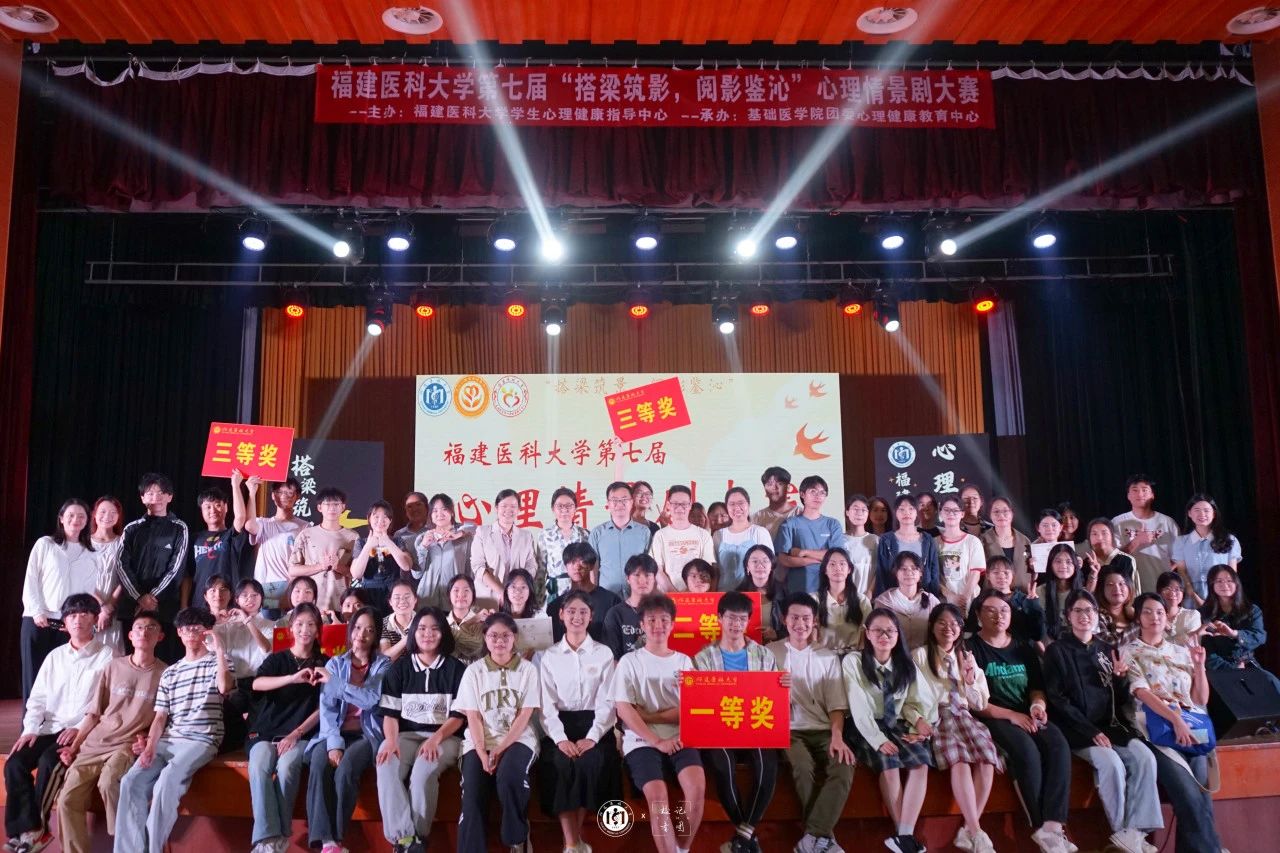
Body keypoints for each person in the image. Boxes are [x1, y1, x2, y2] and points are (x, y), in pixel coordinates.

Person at [1043, 590, 1162, 853]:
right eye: (1078, 611)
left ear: (1097, 615)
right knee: (1111, 764)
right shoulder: (1057, 651)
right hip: (1076, 730)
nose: (1084, 616)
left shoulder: (1107, 649)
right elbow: (1057, 700)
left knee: (1145, 758)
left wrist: (1120, 678)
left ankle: (1135, 832)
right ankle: (1120, 831)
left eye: (1090, 610)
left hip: (1111, 726)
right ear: (1068, 616)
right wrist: (1090, 731)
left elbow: (1120, 698)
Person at [114, 606, 233, 853]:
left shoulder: (219, 662)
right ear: (179, 633)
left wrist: (220, 650)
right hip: (169, 739)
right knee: (130, 782)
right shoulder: (171, 672)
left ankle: (153, 849)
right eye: (186, 628)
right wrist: (150, 746)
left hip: (202, 738)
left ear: (207, 631)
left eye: (197, 628)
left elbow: (224, 688)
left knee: (166, 782)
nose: (191, 633)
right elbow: (160, 717)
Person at [6, 594, 114, 853]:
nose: (78, 620)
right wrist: (30, 729)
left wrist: (79, 728)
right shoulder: (55, 656)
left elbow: (106, 703)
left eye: (84, 614)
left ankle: (36, 831)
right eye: (72, 615)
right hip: (49, 727)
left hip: (81, 731)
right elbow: (37, 698)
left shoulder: (107, 655)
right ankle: (24, 831)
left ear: (95, 619)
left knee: (48, 762)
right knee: (14, 763)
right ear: (64, 622)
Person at [968, 590, 1074, 853]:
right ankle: (1039, 826)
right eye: (991, 610)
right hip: (993, 716)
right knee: (1026, 751)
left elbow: (1037, 687)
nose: (999, 615)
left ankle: (1053, 825)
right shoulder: (971, 649)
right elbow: (974, 702)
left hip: (1026, 712)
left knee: (1058, 744)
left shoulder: (1022, 647)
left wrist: (1037, 706)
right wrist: (1012, 716)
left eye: (1004, 610)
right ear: (979, 615)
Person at [56, 611, 167, 853]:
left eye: (151, 628)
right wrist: (74, 747)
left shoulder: (165, 674)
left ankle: (127, 846)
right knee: (66, 799)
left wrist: (147, 741)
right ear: (130, 635)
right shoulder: (113, 666)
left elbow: (162, 719)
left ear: (160, 636)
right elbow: (93, 714)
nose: (144, 632)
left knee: (109, 783)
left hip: (126, 745)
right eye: (139, 627)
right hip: (95, 743)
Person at [1121, 593, 1224, 852]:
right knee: (1189, 797)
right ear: (1138, 618)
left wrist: (1199, 667)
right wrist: (1175, 719)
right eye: (1147, 612)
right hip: (1156, 731)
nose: (1154, 617)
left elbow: (1200, 699)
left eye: (1159, 612)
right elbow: (1141, 693)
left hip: (1191, 728)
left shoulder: (1180, 651)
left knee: (1202, 799)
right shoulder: (1129, 651)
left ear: (1167, 618)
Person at [612, 593, 706, 853]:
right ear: (642, 625)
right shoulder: (629, 662)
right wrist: (656, 740)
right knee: (658, 798)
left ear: (673, 624)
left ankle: (682, 848)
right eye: (651, 620)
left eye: (664, 619)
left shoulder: (684, 661)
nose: (658, 625)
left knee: (696, 790)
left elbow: (689, 709)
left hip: (680, 737)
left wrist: (654, 718)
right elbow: (624, 708)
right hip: (640, 740)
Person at [693, 591, 781, 853]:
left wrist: (783, 685)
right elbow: (702, 700)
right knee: (722, 766)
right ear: (719, 618)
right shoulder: (703, 657)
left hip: (755, 727)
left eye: (742, 619)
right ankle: (747, 838)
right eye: (731, 618)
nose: (736, 624)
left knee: (768, 766)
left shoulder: (764, 655)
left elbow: (773, 698)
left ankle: (742, 838)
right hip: (719, 730)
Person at [375, 606, 467, 853]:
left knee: (423, 771)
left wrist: (436, 738)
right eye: (422, 628)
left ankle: (416, 838)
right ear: (413, 633)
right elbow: (390, 714)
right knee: (385, 762)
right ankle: (405, 839)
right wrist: (391, 741)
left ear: (443, 634)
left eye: (435, 629)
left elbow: (459, 716)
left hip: (445, 737)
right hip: (404, 736)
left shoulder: (456, 669)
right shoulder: (398, 668)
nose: (428, 634)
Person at [767, 594, 854, 853]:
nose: (800, 624)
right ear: (784, 619)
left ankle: (812, 837)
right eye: (794, 617)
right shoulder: (770, 653)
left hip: (823, 729)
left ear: (814, 621)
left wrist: (837, 736)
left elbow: (837, 705)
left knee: (844, 764)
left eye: (806, 618)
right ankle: (824, 838)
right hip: (788, 730)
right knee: (803, 767)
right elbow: (758, 698)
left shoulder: (827, 657)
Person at [841, 608, 932, 853]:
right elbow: (858, 705)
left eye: (890, 631)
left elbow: (914, 702)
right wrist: (877, 739)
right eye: (878, 631)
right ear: (867, 633)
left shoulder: (906, 664)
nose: (884, 636)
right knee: (889, 762)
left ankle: (904, 835)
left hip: (896, 723)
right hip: (865, 725)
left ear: (898, 635)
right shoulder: (853, 662)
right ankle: (905, 838)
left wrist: (919, 723)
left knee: (921, 761)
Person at [913, 602, 1001, 853]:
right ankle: (976, 831)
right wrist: (921, 720)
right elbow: (914, 694)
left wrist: (970, 679)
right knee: (959, 759)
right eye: (942, 622)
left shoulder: (966, 656)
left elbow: (979, 703)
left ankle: (968, 830)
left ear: (961, 628)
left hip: (964, 715)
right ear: (932, 626)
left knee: (987, 759)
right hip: (938, 715)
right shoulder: (920, 655)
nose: (948, 628)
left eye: (954, 624)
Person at [538, 590, 621, 853]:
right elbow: (546, 705)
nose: (577, 617)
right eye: (571, 611)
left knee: (589, 762)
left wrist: (593, 737)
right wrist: (560, 739)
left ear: (591, 616)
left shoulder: (603, 653)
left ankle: (574, 841)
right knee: (560, 764)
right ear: (561, 615)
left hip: (596, 725)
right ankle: (573, 843)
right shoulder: (549, 656)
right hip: (559, 727)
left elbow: (608, 701)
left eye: (583, 612)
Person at [454, 612, 541, 853]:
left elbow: (524, 715)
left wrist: (501, 749)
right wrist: (482, 752)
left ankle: (517, 838)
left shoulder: (527, 670)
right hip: (479, 740)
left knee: (509, 777)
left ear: (515, 638)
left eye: (506, 636)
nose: (499, 641)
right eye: (493, 636)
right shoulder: (474, 671)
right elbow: (473, 716)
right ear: (485, 638)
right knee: (473, 792)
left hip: (518, 739)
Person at [245, 602, 327, 853]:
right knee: (259, 766)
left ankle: (273, 840)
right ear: (291, 628)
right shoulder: (277, 659)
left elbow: (325, 708)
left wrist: (296, 733)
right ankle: (272, 839)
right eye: (299, 624)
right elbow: (257, 684)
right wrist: (292, 678)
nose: (305, 629)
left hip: (301, 734)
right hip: (265, 731)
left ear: (318, 630)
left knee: (288, 767)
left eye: (311, 624)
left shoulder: (325, 664)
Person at [306, 606, 389, 853]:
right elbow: (327, 709)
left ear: (376, 635)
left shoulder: (383, 665)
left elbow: (371, 700)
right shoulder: (335, 664)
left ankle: (337, 837)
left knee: (346, 768)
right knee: (319, 763)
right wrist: (334, 744)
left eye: (369, 630)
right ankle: (326, 842)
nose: (362, 634)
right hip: (335, 732)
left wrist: (336, 683)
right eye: (358, 628)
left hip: (366, 733)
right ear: (350, 630)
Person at [21, 498, 99, 700]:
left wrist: (78, 620)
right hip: (38, 619)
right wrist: (37, 611)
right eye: (71, 515)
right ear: (61, 518)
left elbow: (86, 594)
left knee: (61, 680)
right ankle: (30, 721)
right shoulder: (45, 544)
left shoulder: (92, 554)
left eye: (81, 516)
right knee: (34, 677)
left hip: (68, 624)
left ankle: (56, 722)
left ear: (87, 521)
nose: (76, 520)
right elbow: (31, 579)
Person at [117, 473, 189, 662]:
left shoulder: (179, 527)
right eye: (149, 493)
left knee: (163, 661)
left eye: (160, 493)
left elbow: (176, 568)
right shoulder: (131, 528)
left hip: (164, 607)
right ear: (142, 498)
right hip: (133, 606)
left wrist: (153, 597)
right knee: (131, 659)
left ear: (169, 497)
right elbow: (121, 565)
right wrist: (140, 597)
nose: (155, 497)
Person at [234, 473, 309, 611]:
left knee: (292, 621)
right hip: (268, 586)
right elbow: (250, 525)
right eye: (279, 492)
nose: (284, 496)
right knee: (269, 619)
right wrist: (252, 493)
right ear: (273, 496)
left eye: (289, 492)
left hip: (294, 586)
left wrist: (296, 585)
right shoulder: (264, 523)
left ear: (297, 496)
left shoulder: (305, 527)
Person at [1199, 564, 1280, 690]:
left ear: (1237, 583)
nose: (1224, 585)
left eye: (1229, 580)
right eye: (1219, 581)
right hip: (1218, 669)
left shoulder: (1251, 610)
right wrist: (1234, 671)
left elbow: (1260, 637)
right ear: (1211, 584)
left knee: (1272, 685)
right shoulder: (1203, 613)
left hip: (1246, 663)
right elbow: (1207, 652)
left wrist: (1234, 634)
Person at [288, 487, 359, 614]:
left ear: (343, 507)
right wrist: (320, 566)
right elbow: (293, 570)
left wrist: (338, 566)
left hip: (342, 605)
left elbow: (357, 574)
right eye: (328, 504)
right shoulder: (306, 534)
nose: (332, 508)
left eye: (336, 504)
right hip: (311, 604)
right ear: (320, 507)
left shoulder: (353, 537)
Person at [777, 476, 846, 595]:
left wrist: (803, 552)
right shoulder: (789, 524)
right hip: (798, 589)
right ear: (802, 494)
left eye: (822, 493)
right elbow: (784, 559)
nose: (818, 496)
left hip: (828, 590)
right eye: (813, 491)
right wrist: (812, 560)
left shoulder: (833, 524)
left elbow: (836, 556)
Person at [471, 488, 539, 607]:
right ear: (496, 508)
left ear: (519, 510)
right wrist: (501, 591)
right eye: (504, 506)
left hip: (517, 598)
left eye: (513, 506)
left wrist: (518, 588)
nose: (508, 510)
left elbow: (531, 565)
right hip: (488, 597)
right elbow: (478, 566)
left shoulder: (526, 536)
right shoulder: (482, 532)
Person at [1112, 476, 1179, 595]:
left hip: (1161, 590)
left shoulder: (1167, 522)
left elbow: (1178, 558)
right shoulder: (1117, 523)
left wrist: (1164, 574)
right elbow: (1112, 558)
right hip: (1128, 590)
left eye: (1144, 490)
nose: (1140, 494)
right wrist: (1137, 541)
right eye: (1135, 490)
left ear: (1152, 495)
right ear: (1128, 496)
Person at [187, 485, 250, 609]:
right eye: (208, 507)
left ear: (226, 507)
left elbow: (240, 517)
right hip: (199, 603)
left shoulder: (231, 535)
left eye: (218, 505)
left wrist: (235, 484)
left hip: (227, 602)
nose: (213, 510)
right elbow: (187, 576)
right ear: (201, 510)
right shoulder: (194, 539)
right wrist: (184, 604)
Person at [1172, 493, 1242, 606]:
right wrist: (1193, 595)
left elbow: (1232, 574)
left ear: (1214, 513)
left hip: (1222, 595)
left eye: (1206, 510)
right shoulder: (1180, 542)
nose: (1202, 514)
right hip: (1191, 596)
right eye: (1197, 510)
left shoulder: (1229, 540)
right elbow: (1182, 571)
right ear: (1189, 513)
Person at [546, 542, 622, 643]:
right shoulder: (555, 606)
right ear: (565, 567)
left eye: (583, 562)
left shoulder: (611, 601)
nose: (577, 567)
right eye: (572, 562)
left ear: (591, 565)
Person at [588, 482, 652, 596]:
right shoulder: (597, 533)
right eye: (614, 500)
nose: (619, 504)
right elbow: (593, 568)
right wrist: (594, 595)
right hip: (606, 596)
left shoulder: (644, 532)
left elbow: (649, 567)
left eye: (624, 499)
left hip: (636, 596)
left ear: (631, 502)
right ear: (608, 503)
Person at [350, 499, 414, 613]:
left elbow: (406, 566)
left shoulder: (397, 541)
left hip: (393, 593)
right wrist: (369, 546)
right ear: (369, 518)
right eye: (376, 517)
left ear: (390, 520)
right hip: (368, 593)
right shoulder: (361, 542)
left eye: (385, 517)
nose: (380, 521)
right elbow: (356, 573)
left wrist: (388, 542)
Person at [965, 556, 1046, 646]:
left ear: (1013, 574)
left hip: (1020, 649)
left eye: (1006, 572)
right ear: (987, 575)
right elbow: (971, 630)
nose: (1002, 576)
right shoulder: (980, 601)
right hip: (988, 648)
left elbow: (1038, 635)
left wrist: (1034, 605)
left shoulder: (1025, 600)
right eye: (996, 572)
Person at [411, 493, 473, 609]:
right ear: (430, 515)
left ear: (452, 512)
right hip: (427, 598)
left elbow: (469, 572)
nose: (439, 514)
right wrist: (423, 547)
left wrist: (459, 534)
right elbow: (416, 574)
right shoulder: (422, 538)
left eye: (444, 509)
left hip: (455, 600)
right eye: (435, 511)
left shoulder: (464, 538)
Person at [649, 485, 716, 591]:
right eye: (675, 504)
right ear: (668, 505)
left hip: (696, 596)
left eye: (684, 504)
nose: (680, 508)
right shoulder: (660, 535)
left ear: (690, 505)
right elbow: (658, 570)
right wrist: (674, 595)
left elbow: (706, 570)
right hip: (667, 597)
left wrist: (689, 594)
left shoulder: (703, 535)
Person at [874, 495, 940, 598]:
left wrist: (934, 598)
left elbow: (934, 572)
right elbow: (881, 573)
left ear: (917, 512)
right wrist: (882, 599)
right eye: (902, 509)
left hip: (923, 596)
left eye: (911, 509)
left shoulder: (927, 539)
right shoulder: (886, 540)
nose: (907, 513)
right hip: (894, 596)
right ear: (895, 513)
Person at [872, 552, 941, 650]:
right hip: (895, 655)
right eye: (903, 569)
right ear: (895, 572)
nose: (909, 572)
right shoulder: (883, 602)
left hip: (924, 656)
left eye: (914, 568)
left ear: (921, 573)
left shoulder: (932, 601)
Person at [536, 486, 589, 607]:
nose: (564, 509)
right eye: (560, 506)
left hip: (579, 589)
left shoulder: (585, 534)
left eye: (569, 505)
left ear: (575, 508)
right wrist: (538, 598)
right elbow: (540, 570)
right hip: (554, 590)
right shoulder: (545, 535)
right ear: (553, 509)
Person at [713, 487, 774, 591]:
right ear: (727, 507)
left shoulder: (759, 532)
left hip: (752, 593)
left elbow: (769, 566)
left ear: (748, 505)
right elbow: (715, 569)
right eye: (732, 504)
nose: (737, 507)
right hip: (724, 592)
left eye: (741, 503)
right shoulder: (718, 534)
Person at [602, 554, 659, 659]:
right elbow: (612, 658)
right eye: (637, 575)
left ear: (654, 578)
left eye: (647, 575)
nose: (642, 580)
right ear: (628, 579)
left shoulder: (663, 613)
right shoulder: (615, 614)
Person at [815, 547, 871, 655]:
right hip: (823, 656)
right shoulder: (814, 600)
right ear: (825, 570)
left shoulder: (862, 601)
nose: (838, 568)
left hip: (854, 656)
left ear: (849, 569)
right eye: (832, 564)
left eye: (842, 564)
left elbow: (868, 634)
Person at [934, 496, 987, 610]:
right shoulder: (934, 542)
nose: (951, 514)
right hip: (944, 601)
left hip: (970, 600)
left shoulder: (972, 541)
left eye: (955, 510)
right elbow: (934, 576)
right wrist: (950, 596)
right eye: (947, 510)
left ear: (962, 514)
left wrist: (965, 598)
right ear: (941, 513)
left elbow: (975, 573)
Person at [90, 496, 126, 653]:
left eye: (113, 512)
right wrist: (101, 606)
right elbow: (80, 578)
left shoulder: (123, 543)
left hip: (114, 608)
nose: (107, 516)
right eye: (103, 511)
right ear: (94, 514)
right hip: (89, 605)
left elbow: (125, 578)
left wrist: (109, 607)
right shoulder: (84, 543)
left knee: (111, 654)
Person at [735, 545, 786, 644]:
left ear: (772, 566)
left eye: (765, 561)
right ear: (747, 567)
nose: (760, 565)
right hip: (745, 648)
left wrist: (777, 634)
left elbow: (793, 625)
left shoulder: (783, 593)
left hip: (775, 647)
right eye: (755, 561)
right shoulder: (737, 595)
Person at [980, 497, 1034, 591]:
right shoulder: (982, 540)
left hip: (1022, 593)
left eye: (1005, 511)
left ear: (1012, 514)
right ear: (990, 515)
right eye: (996, 512)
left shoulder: (1024, 540)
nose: (1001, 515)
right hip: (994, 594)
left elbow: (1030, 568)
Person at [1038, 543, 1085, 642]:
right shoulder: (1040, 591)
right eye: (1058, 561)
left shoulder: (1083, 593)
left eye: (1068, 562)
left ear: (1075, 565)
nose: (1063, 566)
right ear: (1050, 565)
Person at [1081, 518, 1140, 595]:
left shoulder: (1126, 560)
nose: (1100, 538)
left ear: (1112, 536)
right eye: (1094, 534)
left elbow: (1133, 593)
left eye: (1104, 533)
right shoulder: (1085, 564)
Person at [445, 574, 492, 664]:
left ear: (473, 595)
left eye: (466, 590)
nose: (461, 594)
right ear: (449, 595)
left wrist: (476, 620)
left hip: (476, 671)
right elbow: (448, 648)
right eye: (456, 590)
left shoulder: (482, 622)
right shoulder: (442, 623)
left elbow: (474, 647)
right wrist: (473, 620)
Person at [841, 494, 879, 600]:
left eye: (863, 510)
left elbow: (879, 570)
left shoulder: (875, 540)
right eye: (855, 509)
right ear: (847, 512)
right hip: (844, 597)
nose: (859, 513)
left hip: (869, 597)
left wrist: (870, 591)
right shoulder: (839, 540)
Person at [1156, 571, 1202, 646]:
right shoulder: (1154, 617)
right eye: (1167, 589)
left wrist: (1169, 630)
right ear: (1159, 592)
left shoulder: (1192, 615)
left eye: (1177, 589)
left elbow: (1190, 645)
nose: (1172, 593)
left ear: (1182, 593)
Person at [1096, 567, 1138, 648]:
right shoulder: (1098, 617)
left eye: (1121, 584)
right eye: (1110, 584)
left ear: (1129, 587)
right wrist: (1139, 623)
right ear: (1102, 590)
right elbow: (1111, 645)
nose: (1117, 588)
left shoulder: (1136, 613)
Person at [379, 579, 419, 662]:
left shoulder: (424, 622)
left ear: (415, 599)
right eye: (397, 597)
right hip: (392, 669)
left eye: (407, 597)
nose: (402, 601)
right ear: (390, 602)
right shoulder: (383, 624)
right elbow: (385, 658)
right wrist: (409, 638)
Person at [751, 466, 796, 540]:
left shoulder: (800, 514)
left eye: (780, 484)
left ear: (788, 487)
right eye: (770, 484)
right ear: (764, 488)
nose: (774, 487)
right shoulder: (756, 518)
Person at [393, 491, 431, 570]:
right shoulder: (399, 534)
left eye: (418, 504)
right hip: (407, 577)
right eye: (409, 506)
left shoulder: (434, 530)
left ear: (427, 507)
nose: (414, 509)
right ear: (406, 511)